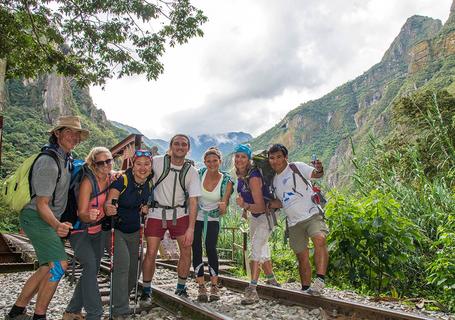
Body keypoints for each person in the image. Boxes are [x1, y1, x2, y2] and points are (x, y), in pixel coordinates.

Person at [6, 116, 89, 320]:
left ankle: (17, 310)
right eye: (67, 131)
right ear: (57, 133)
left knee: (46, 267)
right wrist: (57, 224)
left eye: (76, 133)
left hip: (45, 218)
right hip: (36, 217)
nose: (73, 136)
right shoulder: (48, 162)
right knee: (60, 265)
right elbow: (42, 204)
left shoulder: (66, 159)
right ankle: (39, 316)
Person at [141, 134, 201, 300]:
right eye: (177, 144)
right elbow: (140, 174)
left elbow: (194, 201)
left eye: (184, 144)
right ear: (171, 146)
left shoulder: (192, 172)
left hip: (180, 214)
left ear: (188, 149)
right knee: (151, 252)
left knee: (186, 249)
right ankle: (146, 290)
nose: (180, 147)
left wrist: (191, 228)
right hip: (156, 213)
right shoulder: (158, 162)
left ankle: (181, 287)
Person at [267, 144, 328, 296]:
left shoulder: (296, 167)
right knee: (302, 257)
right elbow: (282, 202)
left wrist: (319, 168)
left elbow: (317, 174)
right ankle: (306, 290)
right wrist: (265, 203)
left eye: (279, 157)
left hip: (312, 214)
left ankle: (320, 280)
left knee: (319, 239)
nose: (276, 161)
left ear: (285, 157)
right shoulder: (274, 181)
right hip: (293, 223)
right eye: (272, 158)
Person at [63, 147, 114, 320]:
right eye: (102, 162)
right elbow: (82, 213)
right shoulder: (87, 181)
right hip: (80, 231)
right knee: (91, 267)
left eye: (109, 160)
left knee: (90, 271)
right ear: (94, 164)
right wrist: (89, 214)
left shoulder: (111, 178)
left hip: (98, 231)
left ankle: (71, 311)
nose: (107, 164)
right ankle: (95, 314)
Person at [104, 150, 153, 319]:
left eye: (147, 164)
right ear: (133, 165)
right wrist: (108, 207)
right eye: (139, 163)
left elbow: (146, 202)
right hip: (116, 229)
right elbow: (110, 201)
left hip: (134, 231)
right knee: (122, 266)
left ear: (151, 166)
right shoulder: (122, 180)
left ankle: (120, 300)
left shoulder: (149, 184)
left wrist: (145, 208)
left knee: (134, 271)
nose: (143, 167)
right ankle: (120, 311)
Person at [234, 144, 280, 305]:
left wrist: (244, 206)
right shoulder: (241, 174)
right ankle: (272, 280)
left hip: (267, 215)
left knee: (255, 246)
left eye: (243, 157)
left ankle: (252, 289)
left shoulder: (253, 177)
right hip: (254, 215)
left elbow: (260, 206)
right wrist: (245, 210)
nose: (239, 159)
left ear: (248, 159)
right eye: (237, 156)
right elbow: (246, 196)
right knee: (262, 246)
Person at [193, 147, 233, 302]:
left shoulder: (227, 181)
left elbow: (224, 207)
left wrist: (223, 208)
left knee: (210, 247)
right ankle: (201, 285)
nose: (212, 164)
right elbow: (192, 197)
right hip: (197, 215)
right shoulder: (199, 175)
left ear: (220, 161)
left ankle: (214, 285)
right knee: (196, 246)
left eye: (215, 161)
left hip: (213, 217)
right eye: (208, 161)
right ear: (204, 162)